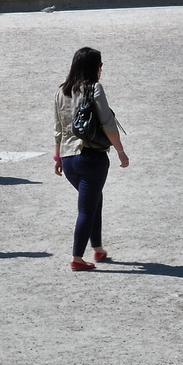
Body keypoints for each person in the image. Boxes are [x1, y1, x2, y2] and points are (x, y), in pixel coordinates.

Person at [53, 46, 129, 270]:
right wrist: (120, 151)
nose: (101, 69)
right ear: (94, 67)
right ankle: (77, 258)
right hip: (91, 157)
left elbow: (58, 128)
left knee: (94, 199)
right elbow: (107, 122)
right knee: (86, 209)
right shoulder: (94, 88)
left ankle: (97, 247)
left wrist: (57, 156)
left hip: (68, 160)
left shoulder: (60, 92)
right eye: (100, 65)